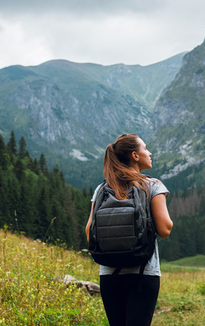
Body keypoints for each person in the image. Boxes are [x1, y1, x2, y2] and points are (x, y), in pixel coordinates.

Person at [86, 133, 173, 326]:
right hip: (143, 273)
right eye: (145, 148)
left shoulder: (102, 189)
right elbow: (165, 229)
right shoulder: (152, 185)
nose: (149, 153)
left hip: (109, 274)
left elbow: (88, 232)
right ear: (135, 155)